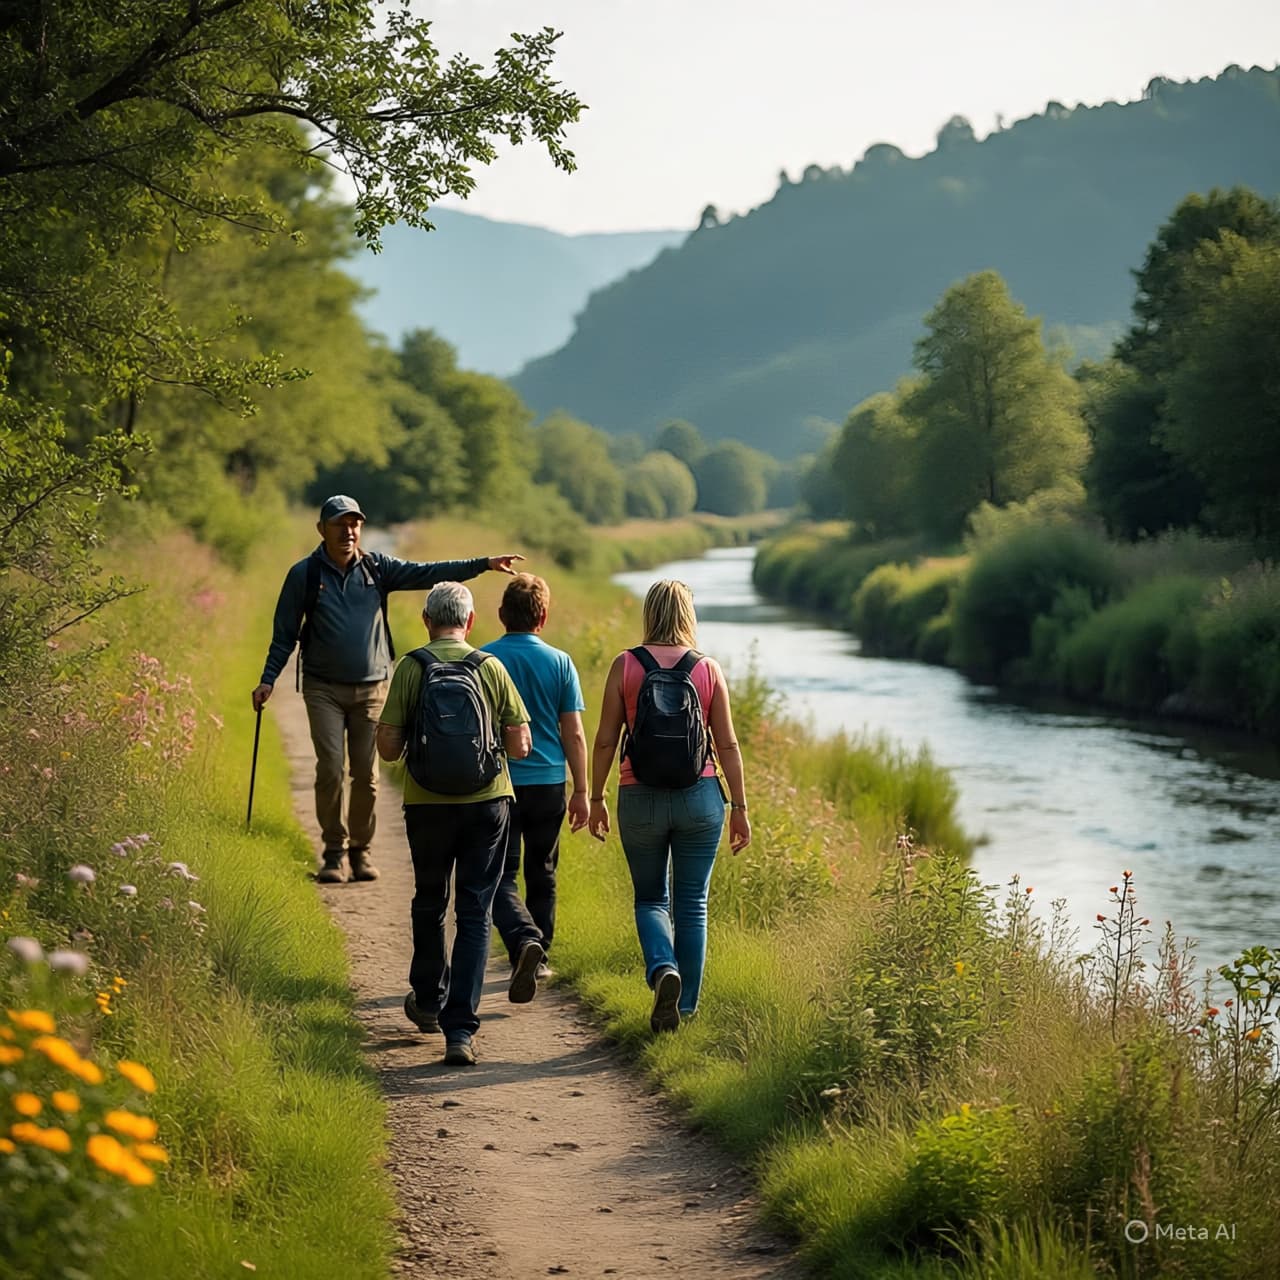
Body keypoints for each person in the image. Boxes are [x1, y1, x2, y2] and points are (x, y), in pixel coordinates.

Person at [252, 495, 522, 884]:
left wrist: (482, 564)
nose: (348, 531)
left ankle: (360, 851)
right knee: (330, 769)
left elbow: (430, 573)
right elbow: (284, 635)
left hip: (372, 688)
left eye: (355, 524)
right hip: (322, 688)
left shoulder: (377, 568)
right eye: (340, 524)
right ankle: (333, 853)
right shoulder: (305, 575)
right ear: (321, 529)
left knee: (367, 775)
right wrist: (267, 679)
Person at [376, 581, 531, 1066]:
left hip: (427, 803)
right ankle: (459, 1030)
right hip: (487, 802)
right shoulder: (491, 667)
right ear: (470, 621)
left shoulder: (411, 667)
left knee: (429, 898)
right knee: (475, 911)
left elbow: (387, 747)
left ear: (426, 620)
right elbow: (521, 745)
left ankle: (426, 999)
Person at [588, 579, 751, 1033]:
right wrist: (739, 806)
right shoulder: (708, 669)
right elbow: (729, 744)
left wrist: (596, 796)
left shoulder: (626, 665)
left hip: (638, 796)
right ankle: (684, 1012)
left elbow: (604, 740)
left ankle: (664, 970)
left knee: (650, 898)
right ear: (687, 615)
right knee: (692, 904)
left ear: (650, 612)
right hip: (700, 798)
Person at [481, 574, 589, 1002]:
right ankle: (538, 956)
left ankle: (521, 943)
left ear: (502, 615)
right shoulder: (560, 662)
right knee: (542, 872)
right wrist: (583, 790)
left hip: (498, 785)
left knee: (498, 876)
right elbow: (574, 734)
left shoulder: (484, 659)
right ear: (542, 616)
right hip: (548, 783)